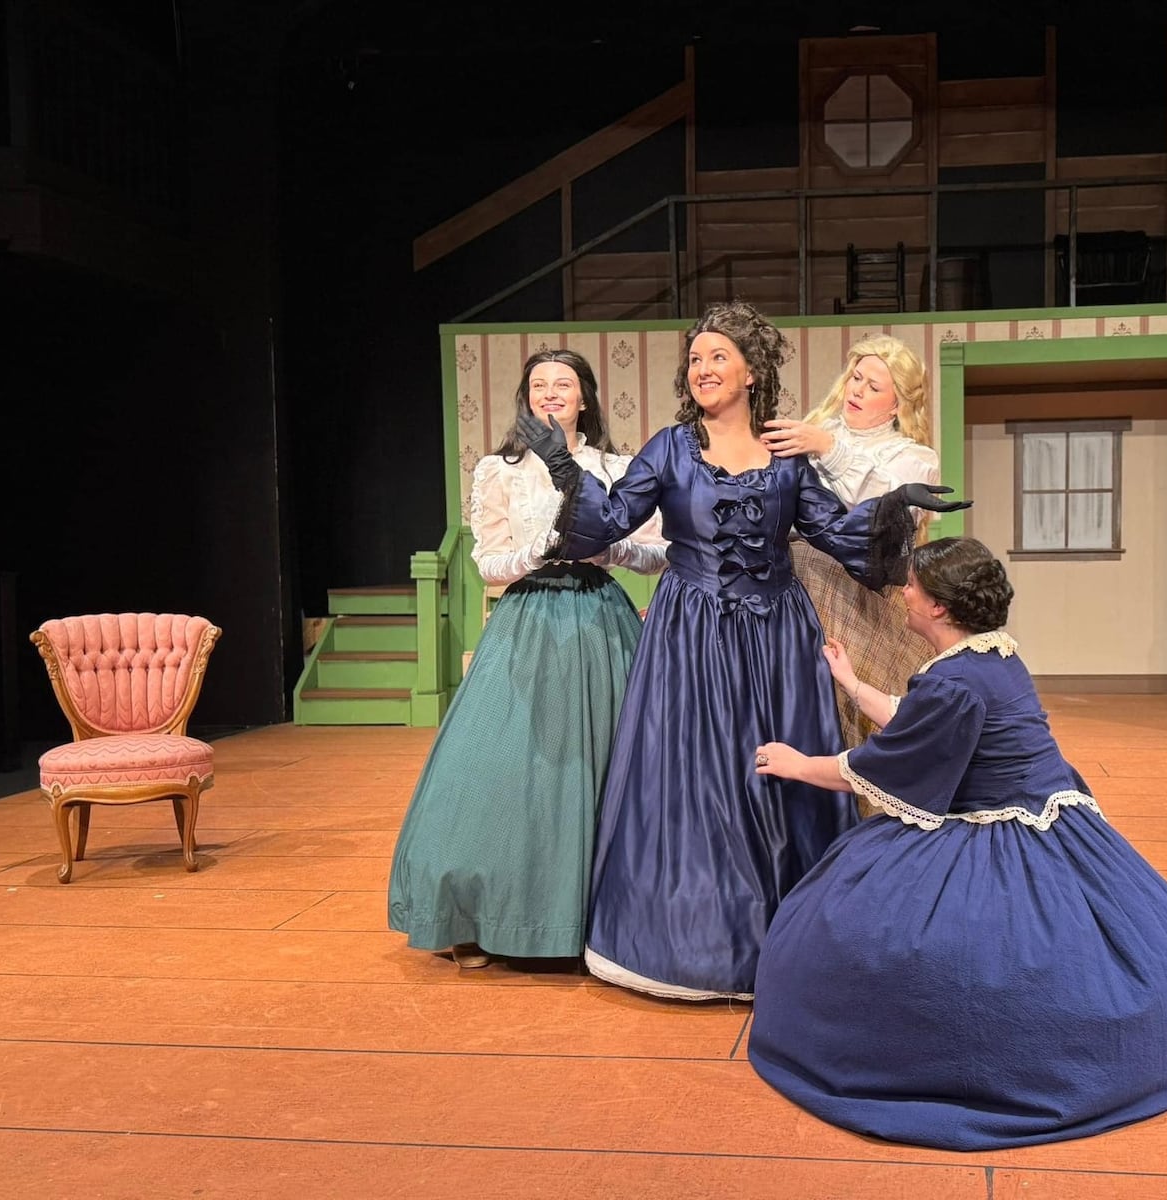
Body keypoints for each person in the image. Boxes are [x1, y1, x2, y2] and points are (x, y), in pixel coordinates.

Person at [519, 300, 968, 1001]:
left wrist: (890, 508)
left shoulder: (787, 457)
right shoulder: (670, 448)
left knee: (776, 779)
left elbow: (838, 538)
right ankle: (690, 945)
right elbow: (604, 524)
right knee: (694, 781)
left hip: (777, 638)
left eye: (717, 356)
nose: (702, 368)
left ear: (753, 371)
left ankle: (783, 945)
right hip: (689, 634)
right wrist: (563, 471)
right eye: (695, 358)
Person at [747, 537, 1167, 1150]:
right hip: (1055, 820)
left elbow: (875, 765)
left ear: (940, 608)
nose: (904, 594)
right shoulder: (993, 660)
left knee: (875, 940)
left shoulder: (955, 680)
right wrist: (852, 682)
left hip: (997, 829)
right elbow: (925, 722)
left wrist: (795, 762)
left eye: (913, 586)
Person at [387, 349, 667, 969]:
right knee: (502, 765)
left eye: (563, 384)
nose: (550, 393)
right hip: (530, 617)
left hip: (598, 617)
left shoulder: (616, 468)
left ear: (585, 398)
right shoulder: (499, 469)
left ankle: (597, 918)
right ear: (526, 398)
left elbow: (656, 553)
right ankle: (483, 914)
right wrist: (542, 548)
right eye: (538, 384)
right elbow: (487, 562)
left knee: (605, 762)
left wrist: (608, 545)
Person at [761, 335, 938, 755]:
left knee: (850, 703)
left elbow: (884, 511)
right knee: (787, 698)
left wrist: (829, 448)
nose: (857, 389)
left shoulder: (913, 457)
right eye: (856, 377)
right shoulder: (810, 433)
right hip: (791, 583)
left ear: (897, 404)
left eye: (874, 386)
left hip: (859, 594)